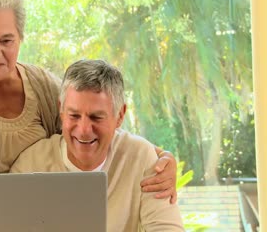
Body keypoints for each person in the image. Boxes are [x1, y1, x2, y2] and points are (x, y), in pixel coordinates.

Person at [0, 0, 178, 232]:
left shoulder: (43, 85)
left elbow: (96, 124)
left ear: (21, 37)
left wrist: (159, 159)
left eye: (6, 40)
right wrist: (46, 198)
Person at [11, 59, 185, 231]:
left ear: (120, 115)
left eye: (96, 117)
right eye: (74, 116)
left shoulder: (141, 158)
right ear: (61, 110)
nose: (84, 130)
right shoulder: (30, 165)